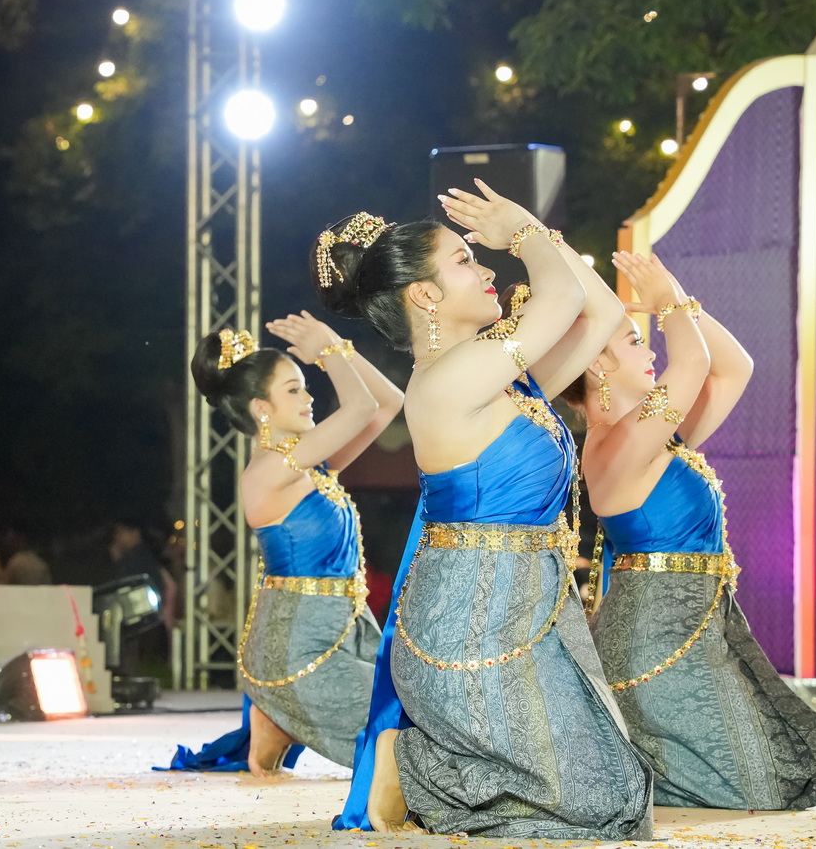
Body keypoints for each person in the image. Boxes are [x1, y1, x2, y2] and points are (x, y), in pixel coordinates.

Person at [319, 189, 653, 838]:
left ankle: (429, 759)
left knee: (617, 795)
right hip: (468, 631)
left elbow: (603, 312)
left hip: (530, 622)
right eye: (465, 261)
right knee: (589, 805)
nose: (488, 268)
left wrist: (539, 237)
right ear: (425, 295)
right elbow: (562, 298)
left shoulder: (506, 379)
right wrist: (523, 230)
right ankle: (413, 762)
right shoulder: (447, 379)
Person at [578, 251, 816, 809]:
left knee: (776, 775)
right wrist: (666, 300)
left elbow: (733, 368)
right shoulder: (615, 443)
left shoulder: (654, 439)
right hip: (654, 641)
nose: (651, 351)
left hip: (694, 628)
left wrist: (679, 302)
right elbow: (694, 363)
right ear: (597, 363)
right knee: (759, 785)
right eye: (634, 342)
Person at [172, 308, 402, 775]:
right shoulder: (271, 470)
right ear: (262, 408)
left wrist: (339, 346)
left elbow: (388, 403)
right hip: (297, 651)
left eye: (305, 386)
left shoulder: (312, 467)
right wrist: (327, 349)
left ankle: (278, 721)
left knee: (424, 719)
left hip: (347, 633)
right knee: (406, 742)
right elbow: (359, 408)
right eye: (294, 389)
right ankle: (279, 707)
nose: (308, 396)